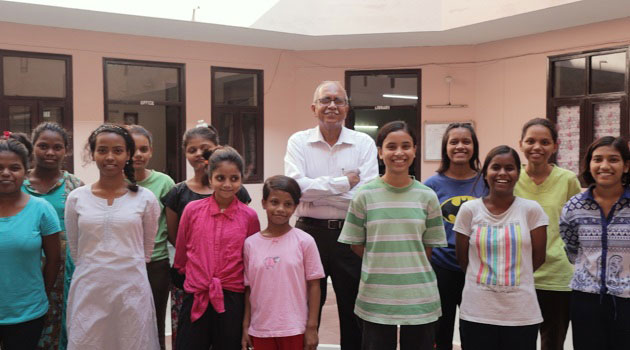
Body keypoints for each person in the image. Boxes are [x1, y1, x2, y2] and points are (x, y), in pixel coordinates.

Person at [284, 80, 379, 350]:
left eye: (338, 101)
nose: (332, 106)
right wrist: (343, 183)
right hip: (308, 233)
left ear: (346, 108)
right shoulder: (298, 142)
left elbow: (366, 196)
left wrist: (316, 190)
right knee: (303, 307)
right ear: (314, 108)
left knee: (353, 309)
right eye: (326, 100)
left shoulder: (363, 143)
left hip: (350, 234)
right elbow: (295, 189)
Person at [338, 121, 446, 350]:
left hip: (419, 298)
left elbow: (428, 248)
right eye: (391, 146)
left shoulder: (427, 197)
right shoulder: (364, 196)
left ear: (415, 150)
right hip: (376, 297)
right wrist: (381, 260)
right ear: (380, 152)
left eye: (406, 146)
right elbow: (355, 244)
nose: (399, 153)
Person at [64, 124, 160, 350]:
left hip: (130, 290)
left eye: (117, 151)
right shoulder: (76, 199)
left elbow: (146, 251)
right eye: (102, 150)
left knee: (132, 341)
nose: (109, 157)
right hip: (89, 289)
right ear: (93, 153)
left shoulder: (145, 199)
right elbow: (76, 251)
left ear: (128, 154)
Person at [163, 125, 252, 348]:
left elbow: (249, 257)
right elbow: (181, 253)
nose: (227, 184)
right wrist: (193, 281)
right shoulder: (192, 209)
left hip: (232, 296)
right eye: (220, 177)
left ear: (241, 180)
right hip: (196, 293)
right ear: (211, 178)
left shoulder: (249, 216)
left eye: (234, 178)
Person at [454, 145, 548, 350]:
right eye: (495, 167)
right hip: (477, 312)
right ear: (485, 172)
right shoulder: (468, 210)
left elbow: (538, 258)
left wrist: (514, 278)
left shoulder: (532, 210)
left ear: (518, 173)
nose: (502, 173)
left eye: (509, 168)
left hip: (521, 313)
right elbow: (462, 259)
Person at [514, 118, 581, 350]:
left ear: (555, 145)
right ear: (520, 143)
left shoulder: (568, 180)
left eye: (545, 142)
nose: (537, 147)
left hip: (557, 277)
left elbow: (575, 227)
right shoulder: (511, 178)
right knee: (519, 341)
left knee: (553, 343)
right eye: (530, 141)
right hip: (518, 275)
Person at [560, 136, 630, 350]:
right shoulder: (574, 207)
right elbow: (572, 248)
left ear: (626, 166)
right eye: (597, 159)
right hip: (586, 299)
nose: (605, 166)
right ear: (589, 165)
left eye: (614, 159)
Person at [19, 123, 84, 350]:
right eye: (43, 146)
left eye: (57, 147)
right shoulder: (17, 184)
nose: (50, 152)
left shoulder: (75, 187)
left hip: (65, 273)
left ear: (66, 150)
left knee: (64, 326)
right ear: (32, 147)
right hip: (24, 271)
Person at [241, 175, 324, 350]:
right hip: (261, 329)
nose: (280, 209)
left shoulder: (305, 241)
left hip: (295, 329)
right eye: (274, 202)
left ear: (295, 206)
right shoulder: (250, 244)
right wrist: (246, 326)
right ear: (264, 203)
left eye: (288, 204)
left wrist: (311, 327)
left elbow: (315, 285)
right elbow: (249, 289)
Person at [424, 122, 486, 350]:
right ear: (445, 147)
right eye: (454, 142)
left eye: (466, 141)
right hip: (441, 267)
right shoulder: (431, 185)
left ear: (474, 147)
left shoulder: (485, 182)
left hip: (477, 267)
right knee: (441, 332)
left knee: (474, 332)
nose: (460, 146)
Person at [0, 135, 61, 350]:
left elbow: (54, 260)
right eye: (0, 167)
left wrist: (39, 293)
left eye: (14, 168)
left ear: (26, 172)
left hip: (27, 313)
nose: (6, 173)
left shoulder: (42, 210)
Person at [127, 125, 175, 350]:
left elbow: (173, 228)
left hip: (156, 263)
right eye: (133, 149)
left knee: (154, 322)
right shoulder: (116, 183)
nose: (138, 154)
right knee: (127, 323)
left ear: (151, 152)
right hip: (124, 264)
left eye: (143, 149)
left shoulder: (164, 183)